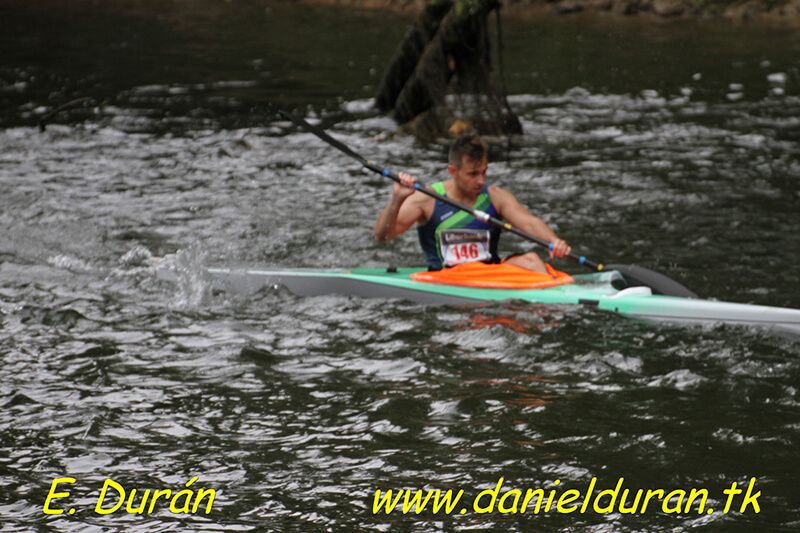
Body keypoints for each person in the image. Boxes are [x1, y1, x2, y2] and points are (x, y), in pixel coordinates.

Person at [373, 133, 571, 272]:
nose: (481, 181)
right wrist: (397, 199)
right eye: (473, 174)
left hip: (487, 274)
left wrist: (552, 242)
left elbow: (528, 222)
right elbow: (382, 235)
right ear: (453, 171)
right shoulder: (427, 199)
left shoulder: (495, 197)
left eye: (484, 172)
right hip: (447, 278)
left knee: (532, 260)